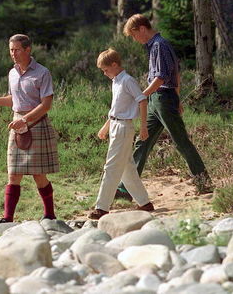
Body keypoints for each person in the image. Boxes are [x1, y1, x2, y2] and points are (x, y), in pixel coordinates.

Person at [116, 14, 213, 199]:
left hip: (162, 98)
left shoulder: (159, 45)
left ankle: (204, 183)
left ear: (142, 29)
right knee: (142, 142)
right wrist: (175, 98)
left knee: (181, 141)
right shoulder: (154, 46)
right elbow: (175, 73)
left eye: (134, 35)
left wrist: (142, 95)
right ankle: (125, 189)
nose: (135, 39)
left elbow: (161, 77)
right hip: (157, 100)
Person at [0, 34, 59, 222]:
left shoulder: (42, 73)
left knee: (39, 176)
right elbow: (14, 99)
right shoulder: (12, 73)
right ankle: (7, 219)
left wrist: (26, 120)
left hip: (37, 123)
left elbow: (46, 104)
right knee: (13, 174)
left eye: (17, 50)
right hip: (17, 123)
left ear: (28, 50)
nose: (13, 54)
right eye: (11, 50)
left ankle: (50, 215)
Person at [89, 49, 154, 220]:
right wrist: (105, 128)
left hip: (124, 128)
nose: (104, 73)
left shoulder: (127, 81)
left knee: (111, 167)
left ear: (115, 65)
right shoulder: (115, 82)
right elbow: (116, 110)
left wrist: (144, 127)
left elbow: (142, 100)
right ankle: (144, 203)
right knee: (127, 168)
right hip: (115, 126)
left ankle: (101, 207)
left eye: (105, 70)